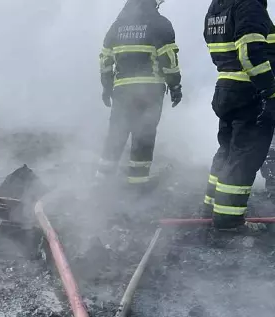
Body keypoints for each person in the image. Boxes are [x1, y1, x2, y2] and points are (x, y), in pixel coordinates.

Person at [203, 0, 275, 230]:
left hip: (226, 88)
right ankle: (229, 220)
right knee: (244, 157)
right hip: (250, 92)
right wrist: (270, 90)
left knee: (227, 149)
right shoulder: (249, 5)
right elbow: (250, 53)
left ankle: (212, 204)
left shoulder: (218, 6)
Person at [97, 0, 182, 188]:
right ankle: (137, 185)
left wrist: (106, 87)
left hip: (121, 92)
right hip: (149, 93)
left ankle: (102, 183)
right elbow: (168, 60)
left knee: (116, 135)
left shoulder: (117, 26)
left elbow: (105, 60)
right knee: (143, 137)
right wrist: (175, 87)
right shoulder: (160, 24)